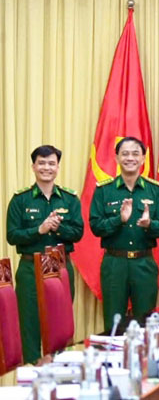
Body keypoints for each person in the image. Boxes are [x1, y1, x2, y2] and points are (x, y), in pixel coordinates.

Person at [6, 145, 83, 363]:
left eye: (51, 163)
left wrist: (57, 228)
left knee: (61, 323)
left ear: (58, 167)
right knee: (29, 323)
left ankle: (59, 368)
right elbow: (12, 236)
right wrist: (39, 230)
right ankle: (31, 370)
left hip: (60, 267)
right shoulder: (21, 199)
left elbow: (78, 233)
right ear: (33, 166)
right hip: (31, 267)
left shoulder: (69, 198)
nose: (46, 167)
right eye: (41, 163)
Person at [89, 137, 159, 331]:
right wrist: (119, 220)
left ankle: (145, 361)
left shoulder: (155, 190)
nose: (130, 158)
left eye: (135, 154)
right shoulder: (104, 190)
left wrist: (149, 224)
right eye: (125, 153)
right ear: (116, 158)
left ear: (143, 159)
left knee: (146, 321)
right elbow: (96, 227)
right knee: (114, 322)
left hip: (144, 263)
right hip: (115, 264)